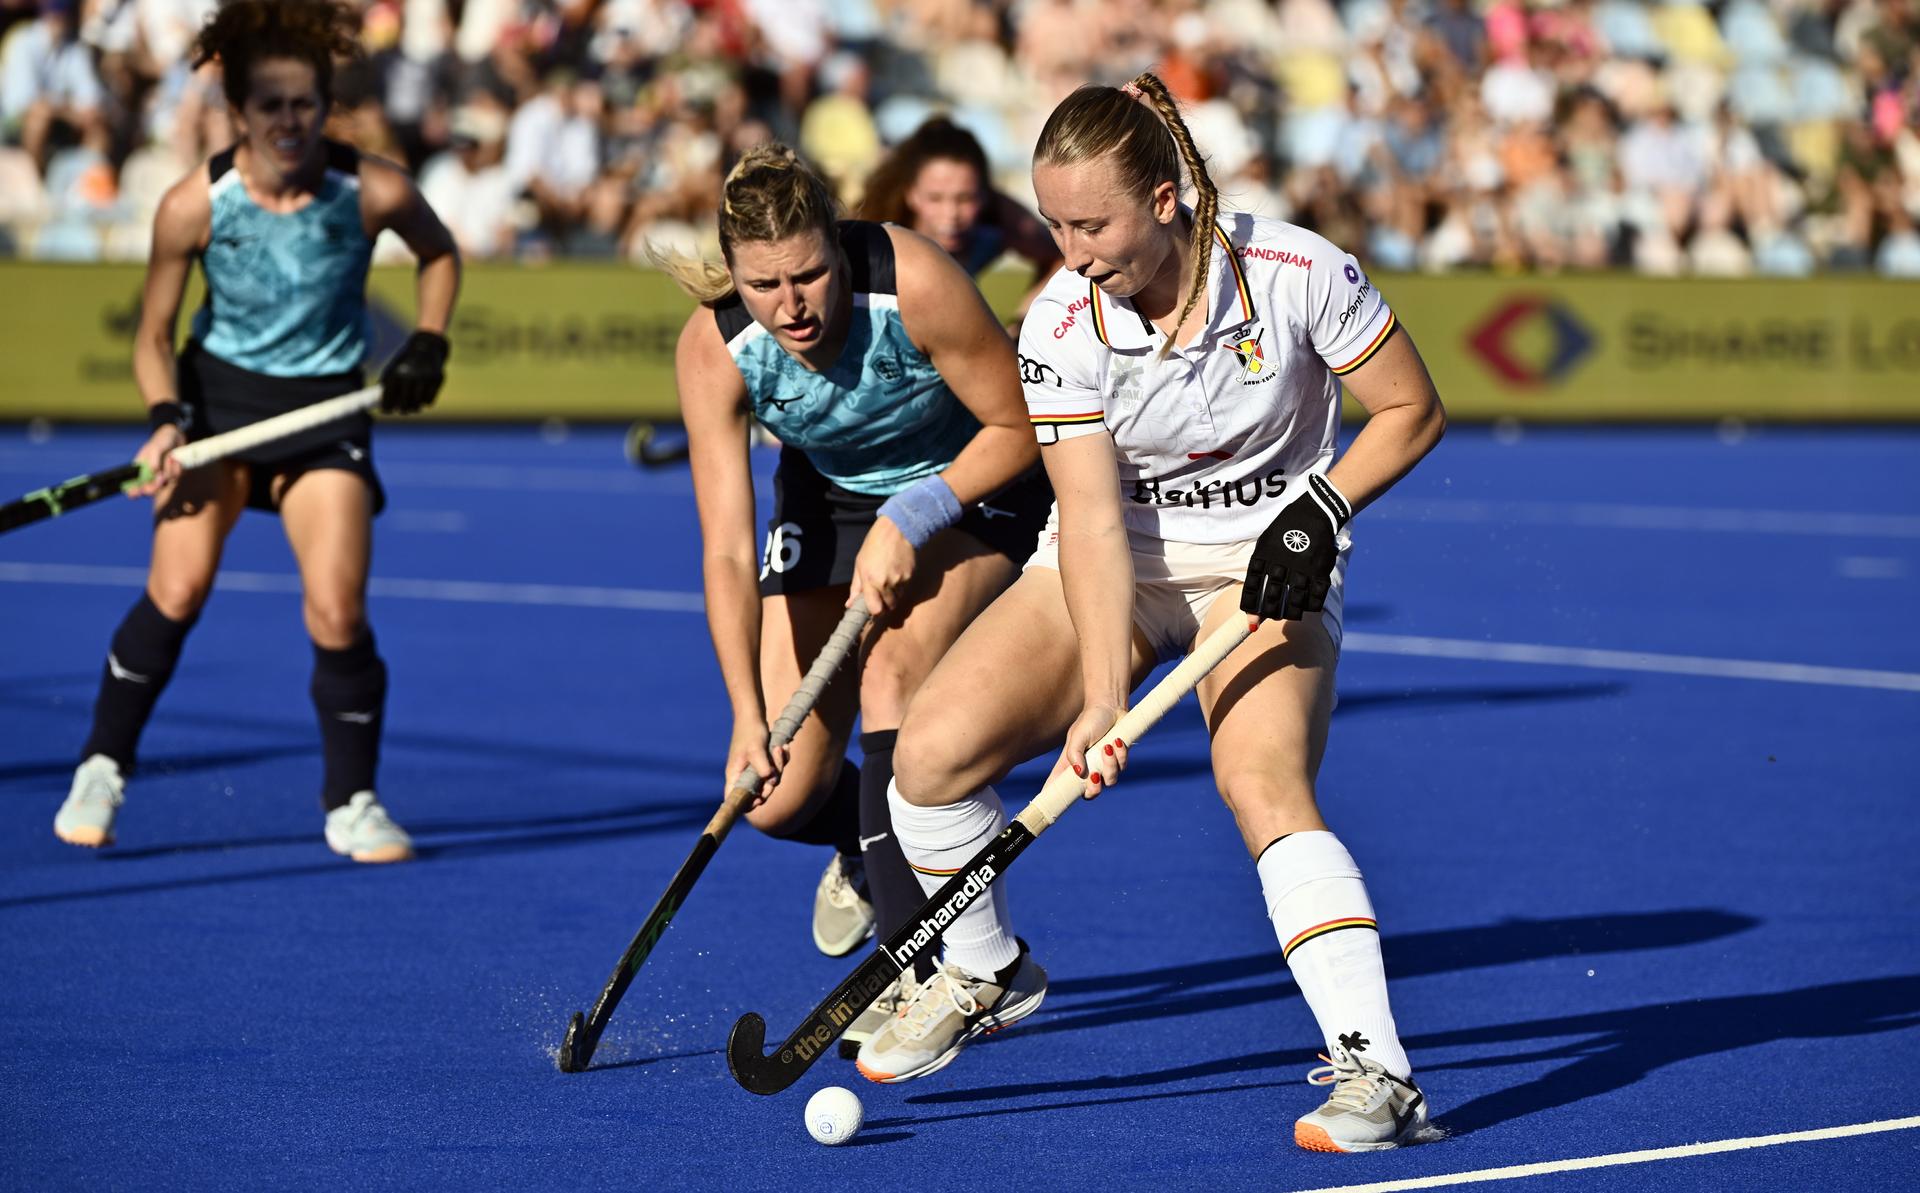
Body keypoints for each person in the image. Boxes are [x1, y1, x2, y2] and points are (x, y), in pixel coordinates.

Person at [856, 74, 1447, 1155]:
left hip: (1263, 568)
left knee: (1260, 781)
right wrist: (1099, 701)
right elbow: (1085, 520)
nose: (1072, 250)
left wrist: (1322, 509)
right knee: (928, 758)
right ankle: (985, 969)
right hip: (1118, 559)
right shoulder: (1060, 324)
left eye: (1092, 224)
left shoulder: (1296, 271)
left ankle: (1381, 1071)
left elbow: (1412, 410)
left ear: (1166, 200)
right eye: (1053, 225)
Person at [52, 0, 460, 865]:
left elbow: (439, 252)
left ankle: (352, 799)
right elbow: (153, 337)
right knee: (179, 589)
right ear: (237, 112)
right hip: (218, 413)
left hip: (324, 414)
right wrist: (165, 420)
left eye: (304, 104)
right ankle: (102, 766)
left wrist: (428, 337)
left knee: (337, 607)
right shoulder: (192, 207)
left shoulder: (371, 188)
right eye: (269, 105)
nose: (289, 122)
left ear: (324, 106)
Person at [663, 143, 1050, 1051]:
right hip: (831, 499)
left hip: (973, 483)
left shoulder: (911, 278)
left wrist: (916, 511)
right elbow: (724, 548)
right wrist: (743, 715)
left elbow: (1020, 426)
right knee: (777, 797)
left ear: (839, 247)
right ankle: (870, 840)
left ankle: (920, 968)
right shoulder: (716, 348)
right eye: (763, 284)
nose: (791, 305)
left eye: (808, 274)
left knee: (892, 681)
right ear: (732, 271)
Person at [856, 116, 1062, 327]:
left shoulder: (997, 220)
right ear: (911, 195)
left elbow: (1062, 257)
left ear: (984, 195)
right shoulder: (880, 238)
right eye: (935, 198)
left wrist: (1024, 318)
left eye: (965, 198)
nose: (951, 213)